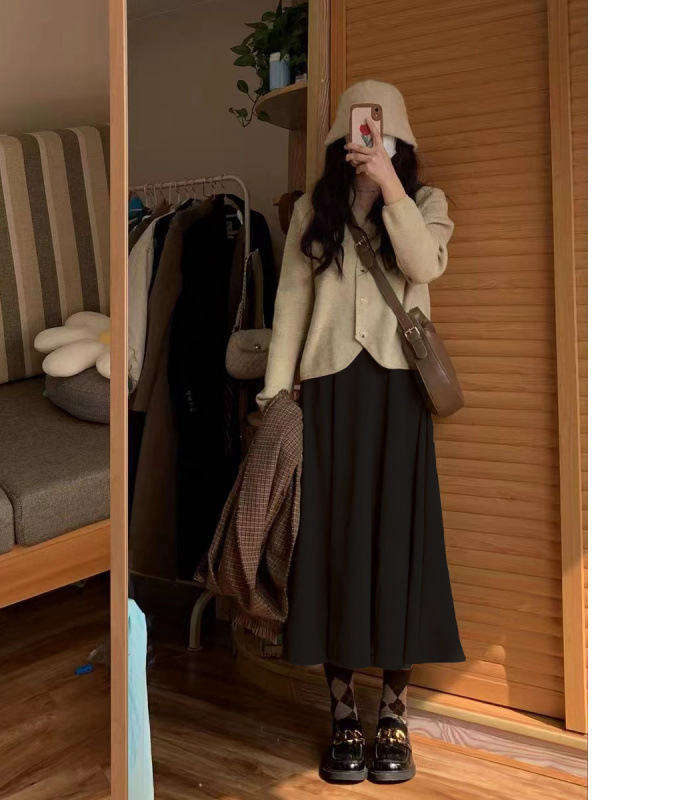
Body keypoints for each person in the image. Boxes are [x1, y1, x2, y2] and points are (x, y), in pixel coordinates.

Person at [256, 80, 466, 784]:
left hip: (400, 395)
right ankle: (343, 710)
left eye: (381, 134)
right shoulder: (314, 209)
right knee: (333, 545)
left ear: (397, 140)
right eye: (357, 132)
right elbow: (290, 301)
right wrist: (275, 394)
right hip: (328, 395)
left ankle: (394, 712)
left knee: (399, 542)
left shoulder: (426, 203)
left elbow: (424, 266)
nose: (367, 143)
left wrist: (390, 190)